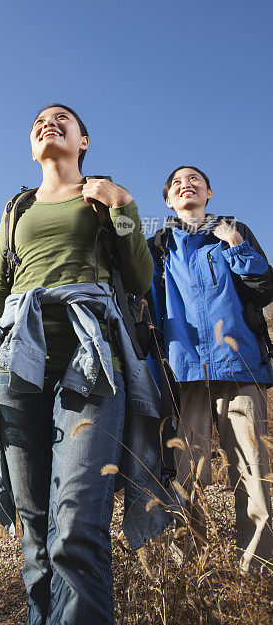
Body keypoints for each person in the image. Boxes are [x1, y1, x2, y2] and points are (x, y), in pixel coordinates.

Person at [0, 104, 175, 625]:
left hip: (93, 362)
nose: (47, 123)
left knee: (77, 522)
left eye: (62, 118)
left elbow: (141, 279)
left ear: (84, 140)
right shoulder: (16, 209)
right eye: (38, 121)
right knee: (34, 533)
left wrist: (123, 204)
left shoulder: (102, 197)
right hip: (16, 366)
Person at [147, 165, 273, 572]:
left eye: (194, 180)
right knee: (187, 474)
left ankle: (257, 569)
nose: (186, 185)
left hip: (240, 367)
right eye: (177, 184)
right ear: (168, 200)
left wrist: (235, 244)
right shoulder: (157, 246)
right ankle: (190, 568)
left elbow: (264, 287)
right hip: (183, 374)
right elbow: (145, 304)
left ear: (210, 192)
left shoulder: (234, 232)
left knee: (253, 471)